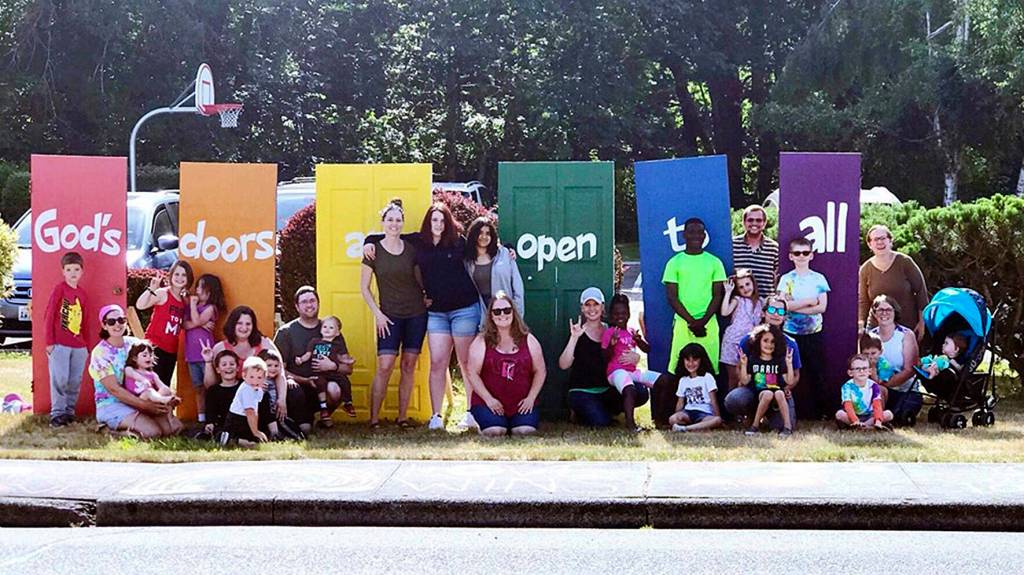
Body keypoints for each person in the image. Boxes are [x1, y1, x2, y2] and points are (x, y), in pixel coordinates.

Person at [364, 203, 482, 431]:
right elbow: (387, 234)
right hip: (436, 312)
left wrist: (507, 247)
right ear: (428, 222)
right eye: (434, 220)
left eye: (442, 220)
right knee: (437, 362)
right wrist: (367, 240)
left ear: (448, 222)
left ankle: (470, 412)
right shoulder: (419, 241)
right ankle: (436, 416)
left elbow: (484, 248)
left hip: (464, 309)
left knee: (466, 363)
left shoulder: (459, 242)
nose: (438, 224)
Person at [361, 199, 428, 429]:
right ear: (382, 222)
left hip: (416, 314)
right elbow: (364, 288)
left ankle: (402, 417)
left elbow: (420, 279)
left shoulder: (411, 249)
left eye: (398, 220)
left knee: (408, 365)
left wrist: (427, 295)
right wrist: (377, 314)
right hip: (388, 316)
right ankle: (374, 419)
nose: (394, 224)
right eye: (389, 220)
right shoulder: (372, 250)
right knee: (385, 365)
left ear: (402, 223)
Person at [462, 216, 524, 429]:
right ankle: (481, 409)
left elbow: (518, 287)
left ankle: (512, 409)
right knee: (483, 363)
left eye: (488, 233)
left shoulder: (505, 255)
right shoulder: (467, 260)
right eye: (480, 232)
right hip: (480, 317)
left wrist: (517, 318)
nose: (484, 237)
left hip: (506, 314)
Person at [563, 287, 650, 428]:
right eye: (587, 305)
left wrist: (636, 356)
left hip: (607, 389)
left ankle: (607, 411)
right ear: (582, 308)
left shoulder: (612, 330)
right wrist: (573, 338)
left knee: (640, 391)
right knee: (601, 422)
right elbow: (564, 364)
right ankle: (581, 411)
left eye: (595, 304)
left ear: (602, 307)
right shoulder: (578, 331)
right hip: (583, 390)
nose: (592, 309)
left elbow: (627, 349)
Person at [464, 291, 545, 436]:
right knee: (495, 431)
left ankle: (517, 421)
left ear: (513, 313)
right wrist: (489, 400)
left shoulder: (528, 339)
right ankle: (484, 421)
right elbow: (472, 372)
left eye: (507, 310)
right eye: (497, 311)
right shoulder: (481, 341)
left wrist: (531, 398)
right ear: (491, 316)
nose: (502, 315)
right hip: (488, 403)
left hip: (521, 404)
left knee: (524, 432)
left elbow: (540, 371)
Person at [89, 304, 176, 439]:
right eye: (111, 322)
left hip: (139, 398)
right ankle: (110, 431)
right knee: (153, 433)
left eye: (121, 320)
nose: (117, 325)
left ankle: (136, 425)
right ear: (104, 325)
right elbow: (114, 390)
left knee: (167, 431)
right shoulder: (100, 353)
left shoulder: (134, 344)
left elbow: (149, 371)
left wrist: (156, 397)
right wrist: (145, 406)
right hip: (112, 403)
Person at [274, 286, 352, 434]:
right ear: (297, 306)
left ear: (318, 303)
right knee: (305, 429)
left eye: (312, 300)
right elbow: (278, 370)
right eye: (304, 302)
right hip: (297, 389)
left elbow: (348, 369)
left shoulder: (330, 329)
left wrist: (333, 366)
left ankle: (323, 416)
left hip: (323, 385)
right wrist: (304, 380)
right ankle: (304, 419)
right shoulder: (286, 332)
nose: (309, 305)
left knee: (335, 390)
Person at [723, 294, 801, 430]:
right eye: (771, 310)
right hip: (753, 389)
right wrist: (743, 381)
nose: (776, 314)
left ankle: (770, 415)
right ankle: (752, 415)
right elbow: (739, 367)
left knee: (781, 426)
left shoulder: (790, 343)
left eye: (781, 312)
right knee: (734, 400)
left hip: (779, 392)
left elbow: (795, 374)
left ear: (784, 317)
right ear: (763, 313)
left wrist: (788, 387)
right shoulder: (748, 340)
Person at [662, 217, 726, 375]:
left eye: (699, 232)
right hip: (683, 323)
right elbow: (672, 297)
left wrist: (702, 321)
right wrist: (692, 322)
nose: (696, 236)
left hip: (708, 323)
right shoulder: (674, 262)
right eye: (691, 232)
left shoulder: (715, 262)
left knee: (710, 367)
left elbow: (717, 295)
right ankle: (679, 400)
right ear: (684, 235)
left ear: (704, 236)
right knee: (677, 368)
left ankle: (711, 400)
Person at [203, 305, 288, 422]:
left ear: (253, 326)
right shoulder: (220, 348)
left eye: (248, 324)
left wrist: (282, 399)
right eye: (239, 323)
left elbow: (280, 372)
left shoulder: (265, 343)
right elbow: (210, 386)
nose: (244, 328)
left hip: (262, 394)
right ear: (233, 325)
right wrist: (208, 362)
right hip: (235, 394)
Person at [777, 237, 830, 419]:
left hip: (813, 333)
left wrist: (795, 304)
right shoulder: (785, 279)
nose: (801, 256)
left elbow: (822, 307)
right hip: (790, 333)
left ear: (811, 255)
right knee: (789, 373)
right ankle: (786, 411)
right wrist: (809, 301)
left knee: (817, 372)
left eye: (805, 253)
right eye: (797, 253)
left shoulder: (819, 279)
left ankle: (822, 412)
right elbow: (783, 306)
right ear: (791, 256)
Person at [44, 251, 90, 427]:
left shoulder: (83, 294)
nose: (73, 273)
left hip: (79, 346)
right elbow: (49, 316)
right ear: (63, 271)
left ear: (81, 272)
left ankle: (69, 412)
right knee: (59, 378)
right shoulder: (59, 290)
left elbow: (85, 321)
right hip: (59, 344)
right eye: (69, 269)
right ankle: (57, 414)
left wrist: (87, 345)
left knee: (74, 380)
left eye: (76, 269)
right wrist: (49, 342)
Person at [858, 224, 929, 338]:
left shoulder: (905, 262)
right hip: (877, 328)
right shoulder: (865, 269)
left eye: (883, 238)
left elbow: (921, 292)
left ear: (890, 241)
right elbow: (863, 301)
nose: (880, 242)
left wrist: (922, 322)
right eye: (876, 239)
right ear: (870, 244)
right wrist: (860, 323)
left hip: (907, 325)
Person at [601, 293, 659, 431]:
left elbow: (647, 349)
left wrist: (638, 340)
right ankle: (630, 424)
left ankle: (660, 420)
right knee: (630, 389)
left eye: (623, 313)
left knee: (662, 380)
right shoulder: (610, 332)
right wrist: (612, 344)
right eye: (616, 314)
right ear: (611, 315)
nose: (620, 317)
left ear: (628, 314)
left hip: (632, 371)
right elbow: (604, 356)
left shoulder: (632, 331)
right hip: (616, 371)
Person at [136, 260, 193, 388]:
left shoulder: (184, 301)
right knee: (150, 386)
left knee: (164, 386)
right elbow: (140, 305)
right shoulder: (163, 293)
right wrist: (151, 289)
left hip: (171, 351)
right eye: (176, 274)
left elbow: (182, 324)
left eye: (184, 275)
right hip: (155, 348)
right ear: (171, 275)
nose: (179, 278)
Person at [866, 295, 922, 422]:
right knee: (878, 392)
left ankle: (879, 418)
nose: (884, 313)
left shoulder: (906, 335)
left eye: (888, 310)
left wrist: (888, 384)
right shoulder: (870, 337)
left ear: (894, 312)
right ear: (874, 314)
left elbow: (910, 369)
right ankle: (874, 419)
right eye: (880, 310)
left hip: (905, 391)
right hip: (879, 390)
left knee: (899, 417)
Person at [296, 315, 356, 426]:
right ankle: (323, 409)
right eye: (325, 327)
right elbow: (308, 354)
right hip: (318, 373)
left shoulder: (337, 344)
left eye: (331, 328)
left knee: (344, 381)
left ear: (337, 333)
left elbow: (341, 359)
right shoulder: (315, 341)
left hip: (332, 373)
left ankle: (348, 402)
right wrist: (300, 359)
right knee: (321, 384)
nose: (327, 329)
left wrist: (348, 362)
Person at [183, 273, 226, 424]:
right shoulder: (191, 307)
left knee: (211, 387)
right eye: (198, 286)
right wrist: (199, 322)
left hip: (205, 354)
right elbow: (185, 324)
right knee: (198, 387)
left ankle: (214, 417)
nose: (198, 290)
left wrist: (194, 309)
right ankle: (202, 418)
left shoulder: (211, 308)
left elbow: (195, 320)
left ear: (210, 291)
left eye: (202, 287)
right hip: (191, 355)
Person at [739, 324, 795, 436]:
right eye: (765, 340)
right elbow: (745, 381)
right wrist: (744, 365)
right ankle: (755, 426)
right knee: (768, 394)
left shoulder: (779, 360)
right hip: (760, 393)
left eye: (772, 342)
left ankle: (787, 427)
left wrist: (789, 364)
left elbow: (789, 381)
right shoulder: (753, 360)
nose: (769, 344)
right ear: (758, 341)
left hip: (777, 391)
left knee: (779, 393)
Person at [123, 340, 183, 437]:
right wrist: (143, 380)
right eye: (144, 355)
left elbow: (162, 386)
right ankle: (164, 401)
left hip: (152, 402)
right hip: (138, 401)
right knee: (149, 391)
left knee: (165, 390)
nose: (149, 357)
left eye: (150, 355)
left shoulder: (152, 375)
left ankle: (169, 412)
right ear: (134, 358)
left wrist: (168, 393)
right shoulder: (130, 369)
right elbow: (132, 375)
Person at [719, 268, 762, 391]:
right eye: (741, 287)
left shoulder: (760, 302)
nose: (745, 288)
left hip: (750, 344)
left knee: (746, 377)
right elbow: (724, 312)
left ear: (753, 283)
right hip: (732, 342)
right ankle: (730, 406)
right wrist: (728, 292)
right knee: (733, 377)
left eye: (747, 284)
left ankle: (745, 407)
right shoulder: (738, 300)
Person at [668, 343, 723, 432]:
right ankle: (696, 427)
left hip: (705, 414)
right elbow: (680, 403)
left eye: (695, 360)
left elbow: (713, 400)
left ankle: (686, 428)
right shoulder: (683, 380)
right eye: (687, 360)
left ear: (701, 360)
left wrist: (718, 417)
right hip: (688, 412)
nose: (691, 363)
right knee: (672, 419)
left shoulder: (707, 377)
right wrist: (677, 416)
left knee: (716, 420)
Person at [218, 356, 271, 448]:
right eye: (251, 377)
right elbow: (250, 412)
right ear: (244, 376)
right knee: (252, 442)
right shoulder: (247, 389)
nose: (255, 381)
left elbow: (256, 405)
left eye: (259, 377)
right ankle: (232, 439)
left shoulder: (257, 388)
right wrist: (255, 431)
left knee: (258, 439)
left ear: (264, 378)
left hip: (246, 419)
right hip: (237, 420)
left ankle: (236, 439)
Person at [732, 205, 779, 299]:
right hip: (739, 306)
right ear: (744, 222)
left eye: (758, 220)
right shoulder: (732, 245)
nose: (754, 223)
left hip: (766, 306)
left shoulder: (774, 248)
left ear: (764, 223)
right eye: (750, 220)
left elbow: (778, 278)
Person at [836, 354, 893, 430]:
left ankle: (863, 427)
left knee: (889, 414)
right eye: (857, 369)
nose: (861, 371)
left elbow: (877, 405)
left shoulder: (874, 386)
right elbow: (848, 406)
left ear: (870, 371)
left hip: (870, 416)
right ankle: (866, 427)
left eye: (864, 368)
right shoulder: (847, 386)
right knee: (839, 414)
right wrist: (855, 420)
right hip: (853, 415)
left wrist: (878, 420)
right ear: (850, 373)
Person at [200, 348, 241, 438]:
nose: (228, 367)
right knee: (211, 432)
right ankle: (227, 438)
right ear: (218, 370)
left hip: (242, 423)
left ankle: (235, 440)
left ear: (238, 368)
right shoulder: (213, 391)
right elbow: (210, 411)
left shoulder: (244, 386)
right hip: (222, 425)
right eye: (224, 364)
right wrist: (210, 424)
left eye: (232, 364)